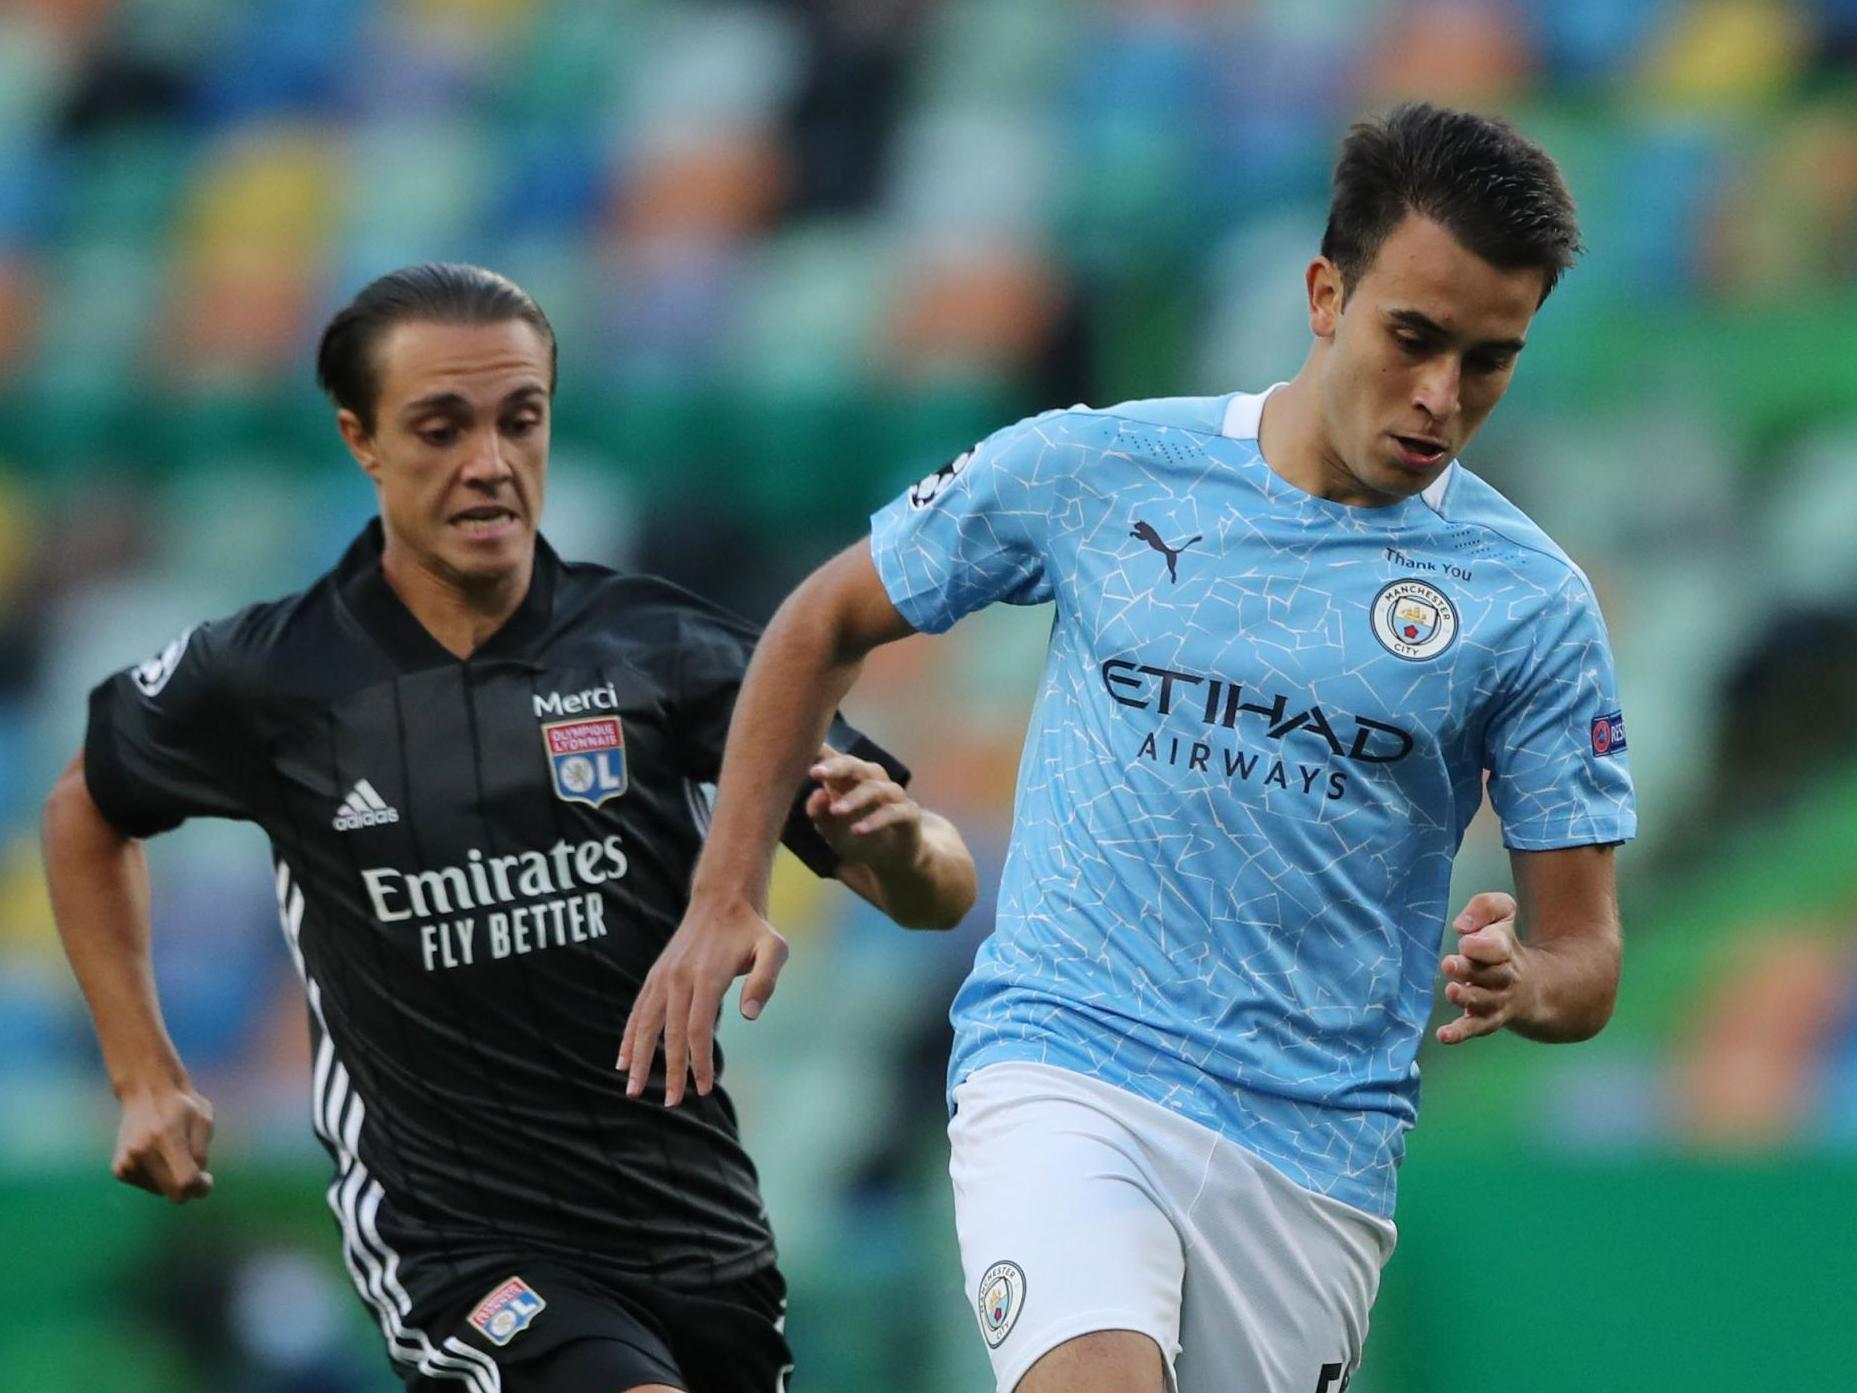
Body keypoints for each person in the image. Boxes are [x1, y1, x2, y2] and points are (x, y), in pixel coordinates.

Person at [620, 102, 1635, 1393]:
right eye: (1414, 337)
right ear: (1326, 294)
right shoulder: (1099, 467)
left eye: (1488, 360)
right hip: (1065, 1062)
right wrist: (723, 888)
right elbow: (822, 619)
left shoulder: (1527, 602)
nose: (1441, 395)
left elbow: (1586, 956)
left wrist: (1521, 982)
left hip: (1311, 1152)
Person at [42, 262, 977, 1393]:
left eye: (518, 420)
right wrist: (144, 1071)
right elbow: (85, 811)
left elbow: (939, 892)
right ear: (362, 441)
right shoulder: (270, 677)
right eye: (440, 427)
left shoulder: (661, 648)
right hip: (463, 1241)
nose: (488, 463)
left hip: (694, 1224)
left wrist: (896, 841)